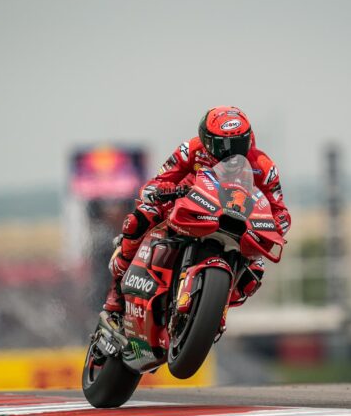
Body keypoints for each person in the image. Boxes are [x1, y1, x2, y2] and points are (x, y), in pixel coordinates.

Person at [103, 106, 292, 313]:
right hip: (188, 207)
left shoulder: (264, 166)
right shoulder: (191, 149)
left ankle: (214, 310)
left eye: (238, 144)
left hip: (235, 222)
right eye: (222, 146)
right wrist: (163, 191)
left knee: (254, 274)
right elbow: (155, 183)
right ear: (206, 140)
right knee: (139, 219)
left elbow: (279, 210)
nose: (230, 153)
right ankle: (117, 286)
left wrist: (274, 225)